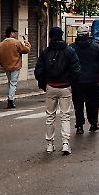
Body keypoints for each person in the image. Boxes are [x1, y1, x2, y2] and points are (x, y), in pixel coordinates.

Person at [34, 26, 80, 155]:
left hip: (51, 87)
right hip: (65, 87)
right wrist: (71, 84)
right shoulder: (69, 51)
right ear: (62, 36)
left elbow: (38, 70)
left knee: (50, 117)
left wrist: (44, 84)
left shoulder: (45, 52)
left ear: (50, 36)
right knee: (65, 116)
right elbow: (76, 69)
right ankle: (65, 143)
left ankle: (50, 144)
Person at [72, 24, 99, 135]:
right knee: (92, 103)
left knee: (78, 104)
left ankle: (79, 126)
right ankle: (93, 123)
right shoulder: (96, 47)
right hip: (92, 80)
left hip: (77, 81)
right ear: (88, 34)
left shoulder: (72, 48)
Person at [0, 27, 31, 109]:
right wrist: (27, 43)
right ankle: (10, 100)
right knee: (13, 83)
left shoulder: (1, 44)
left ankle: (10, 97)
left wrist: (3, 64)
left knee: (10, 83)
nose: (15, 34)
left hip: (6, 67)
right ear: (11, 33)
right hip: (15, 66)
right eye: (14, 32)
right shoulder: (16, 42)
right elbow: (26, 50)